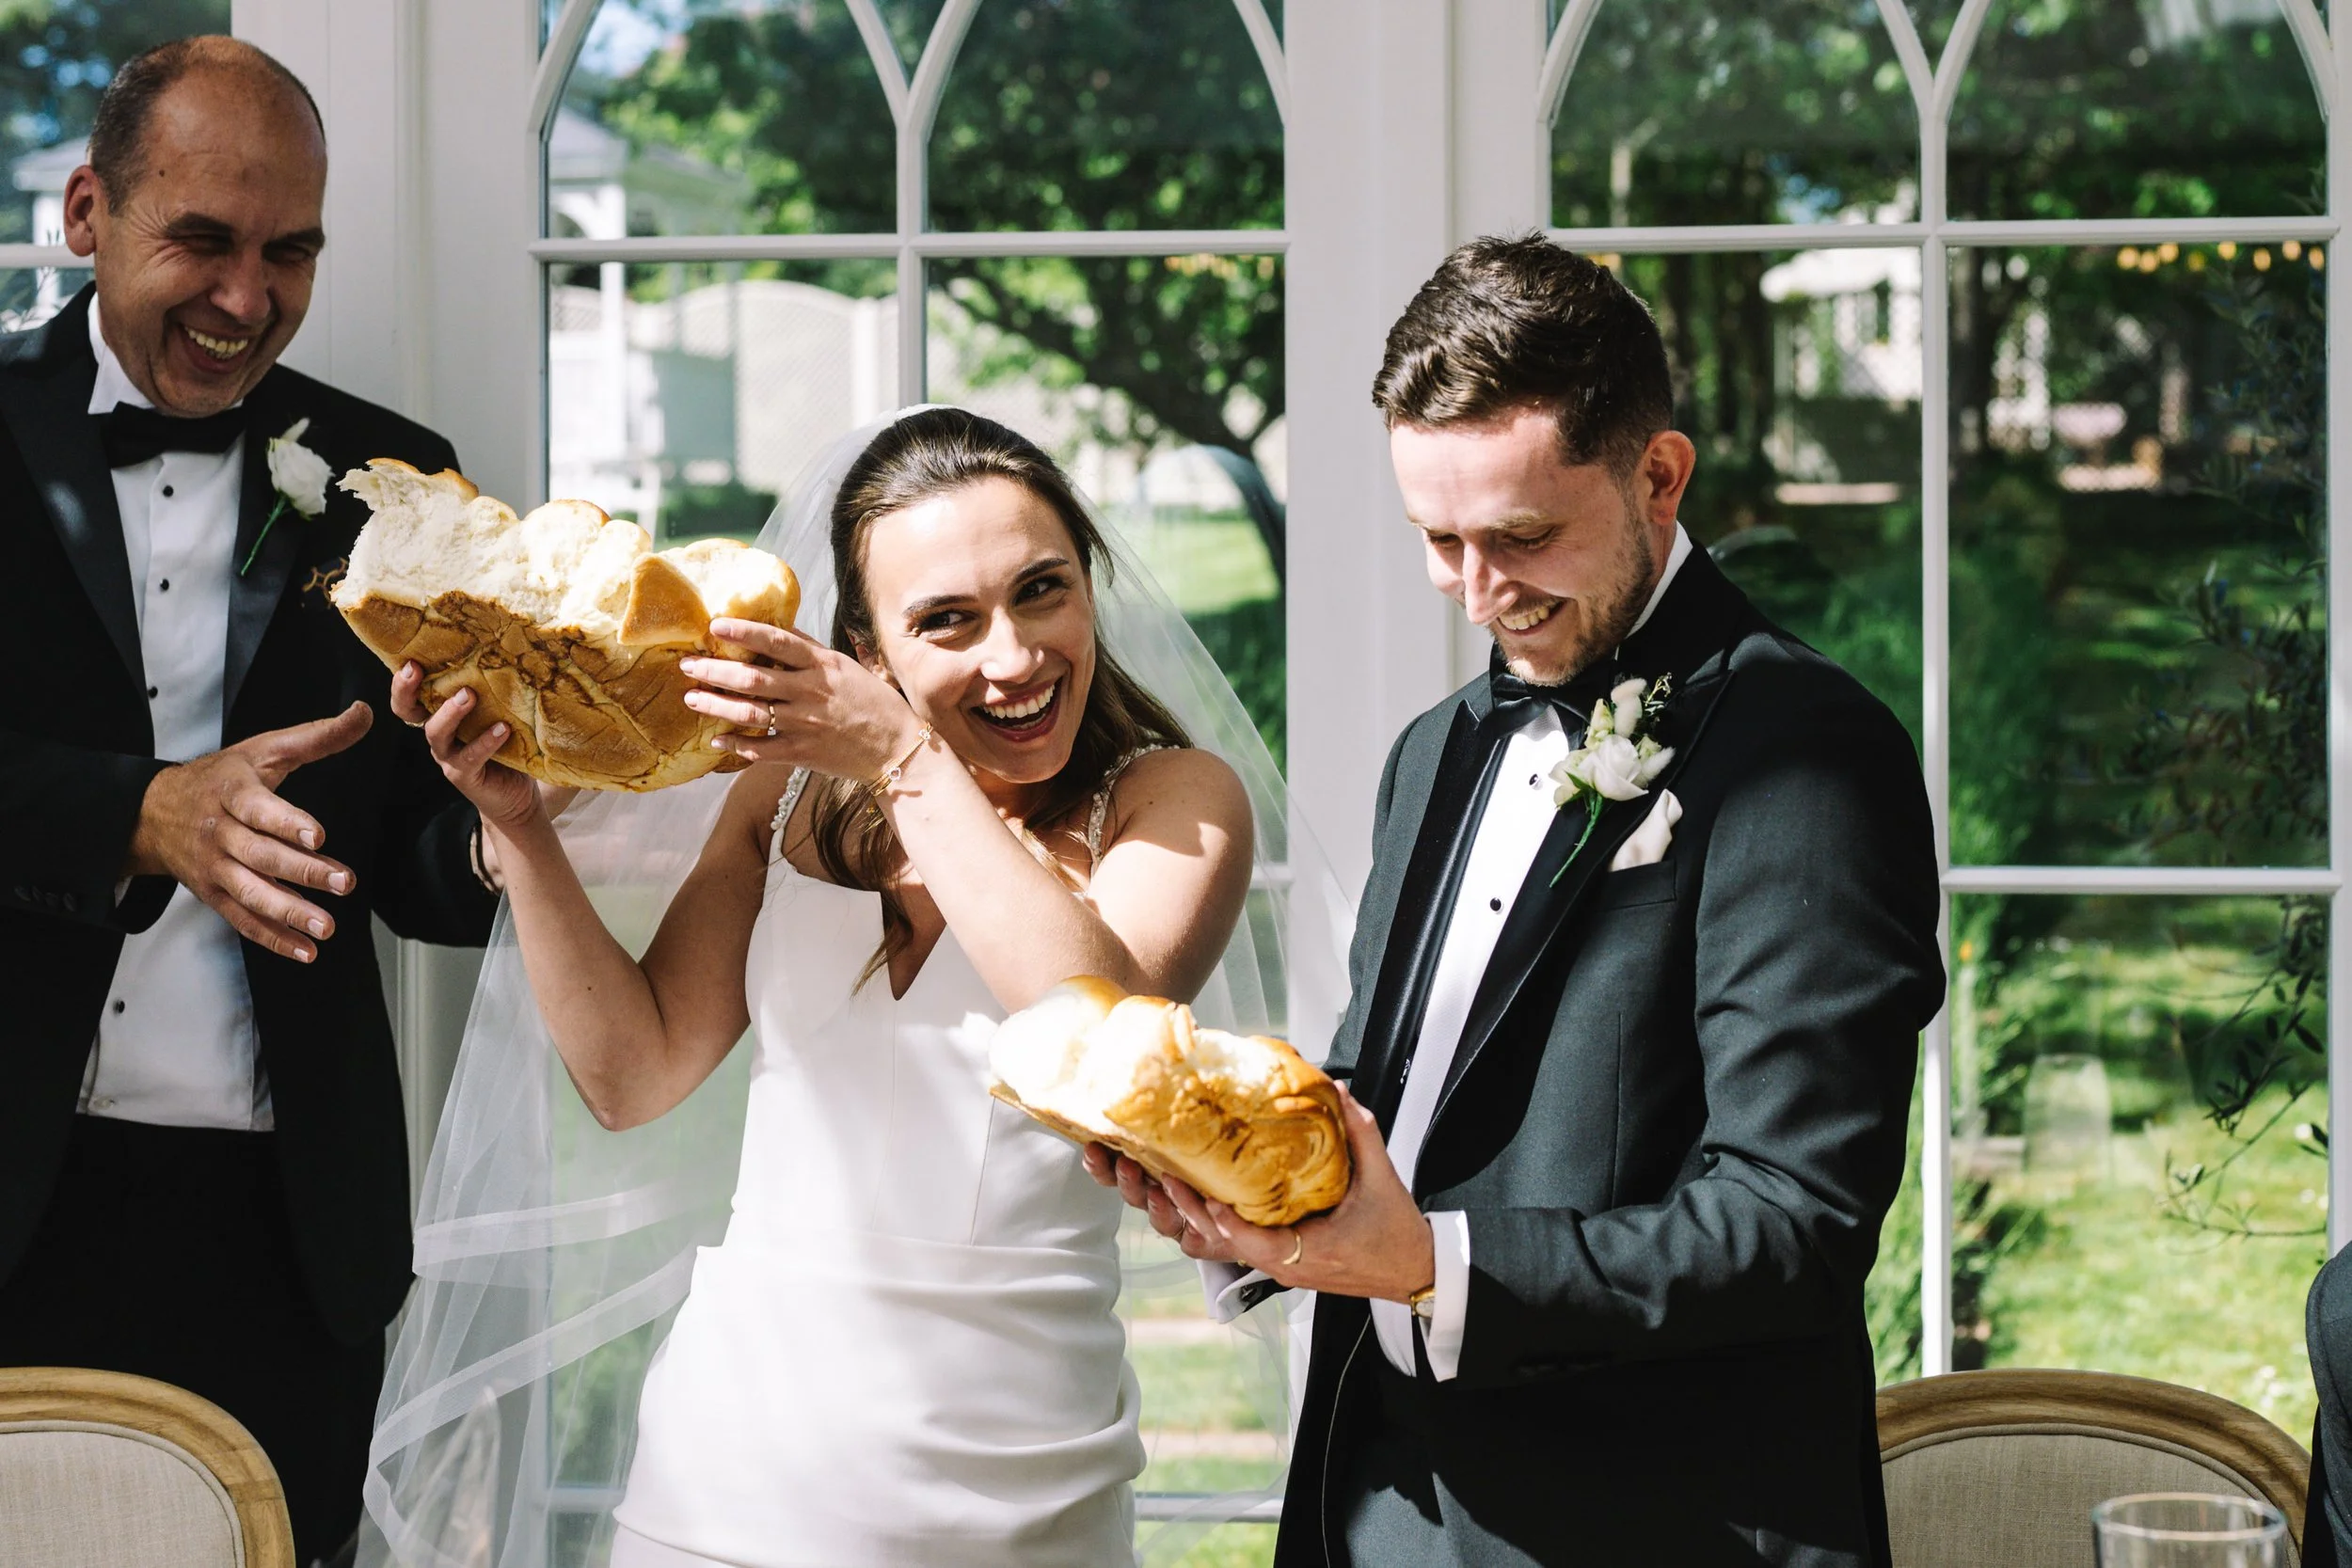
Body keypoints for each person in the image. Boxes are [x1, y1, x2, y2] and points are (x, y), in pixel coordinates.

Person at [1096, 234, 1946, 1565]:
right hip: (1380, 1502)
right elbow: (1404, 1096)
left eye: (1525, 536)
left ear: (1659, 475)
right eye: (1439, 540)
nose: (1479, 590)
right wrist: (1245, 1183)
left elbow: (1794, 1222)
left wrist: (1434, 1266)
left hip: (1650, 1524)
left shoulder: (1805, 753)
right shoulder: (1434, 749)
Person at [382, 407, 1272, 1567]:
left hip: (1020, 1478)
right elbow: (633, 1074)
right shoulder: (784, 799)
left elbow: (1097, 1026)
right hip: (724, 1476)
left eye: (1042, 590)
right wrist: (521, 832)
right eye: (947, 620)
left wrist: (904, 756)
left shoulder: (1177, 800)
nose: (1013, 656)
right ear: (867, 646)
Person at [0, 36, 501, 1564]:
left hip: (288, 1226)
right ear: (87, 213)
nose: (245, 297)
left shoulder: (398, 481)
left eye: (291, 253)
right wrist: (141, 812)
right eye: (203, 240)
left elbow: (410, 859)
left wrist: (504, 837)